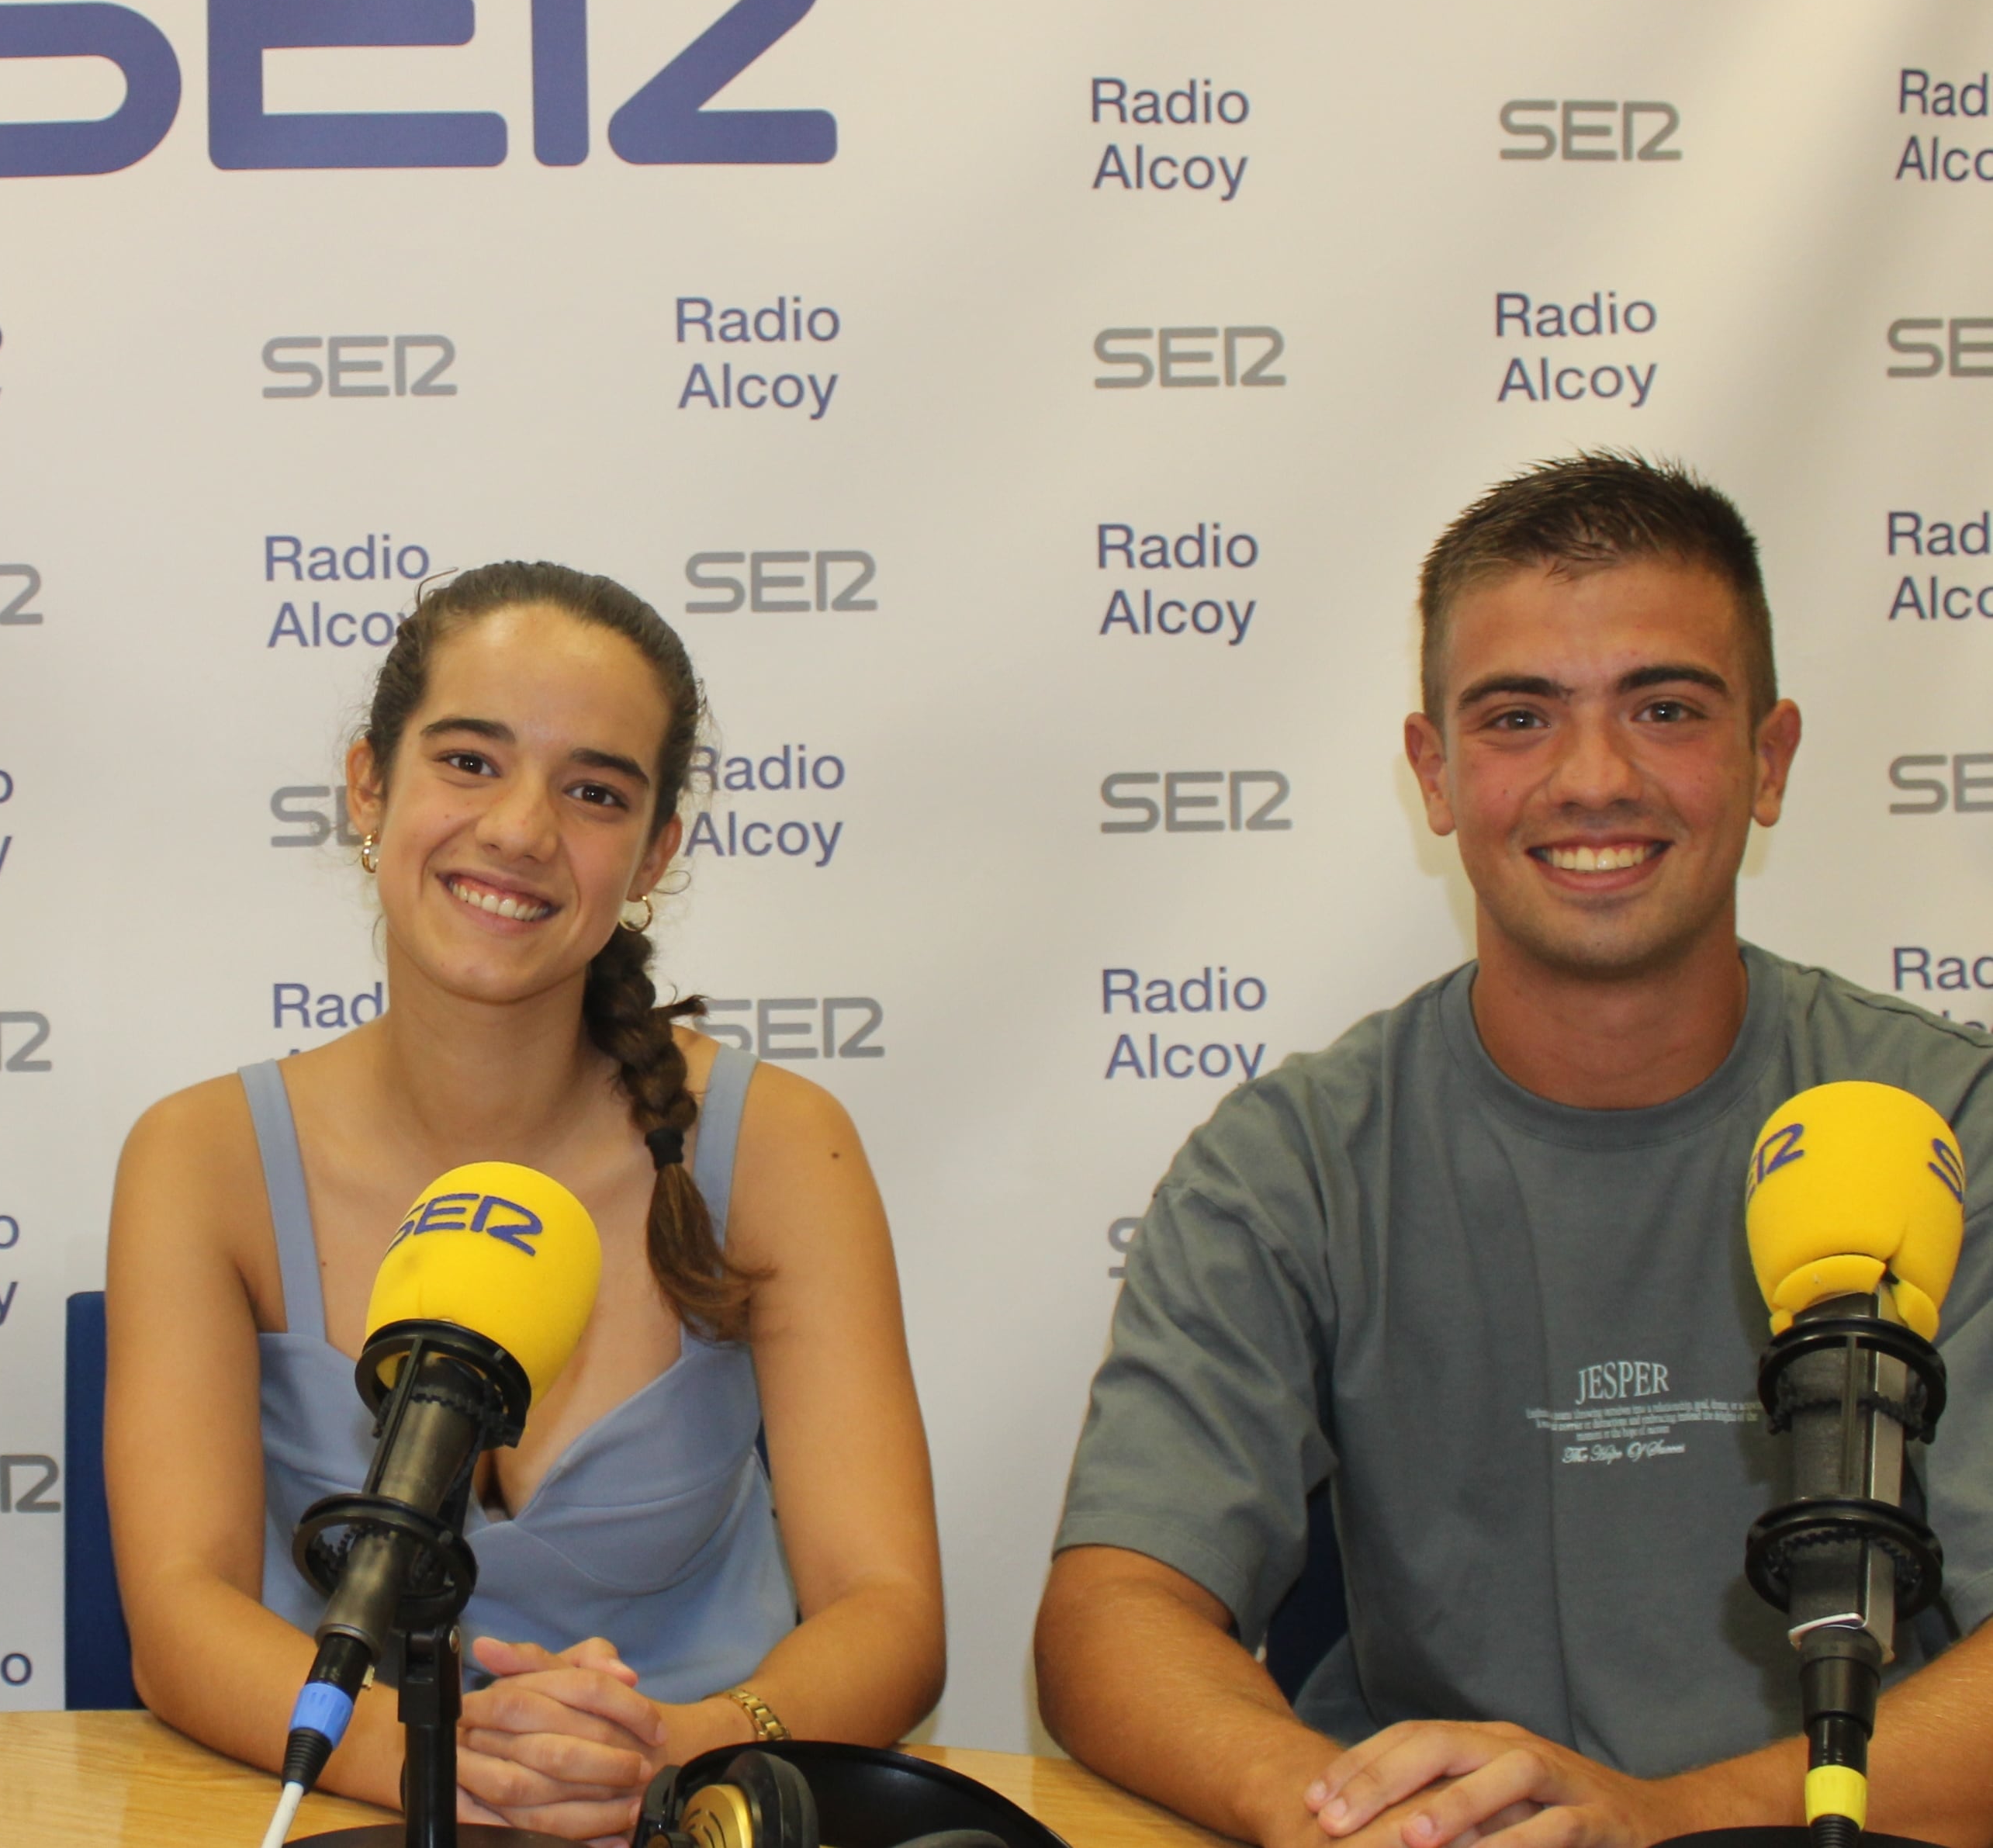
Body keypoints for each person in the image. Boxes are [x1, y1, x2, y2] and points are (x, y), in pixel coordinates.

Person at [1036, 452, 1993, 1848]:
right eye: (1517, 717)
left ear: (1766, 760)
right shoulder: (1294, 1159)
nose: (1591, 778)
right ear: (1431, 772)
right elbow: (1112, 1609)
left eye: (1663, 708)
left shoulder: (1945, 1125)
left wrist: (1658, 1822)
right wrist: (1335, 1815)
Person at [106, 562, 943, 1843]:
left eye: (594, 790)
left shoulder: (779, 1146)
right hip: (358, 1802)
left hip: (691, 1811)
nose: (519, 828)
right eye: (469, 760)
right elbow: (178, 1610)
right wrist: (447, 1764)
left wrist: (672, 1752)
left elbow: (886, 1610)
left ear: (655, 852)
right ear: (367, 788)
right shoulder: (198, 1155)